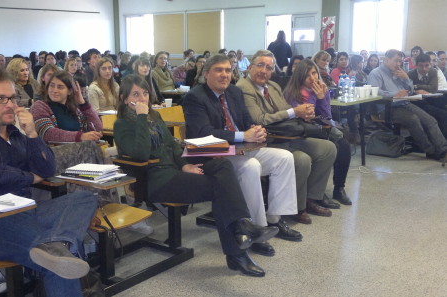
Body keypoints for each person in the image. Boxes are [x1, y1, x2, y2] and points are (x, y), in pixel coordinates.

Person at [0, 67, 98, 296]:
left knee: (85, 197)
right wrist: (30, 177)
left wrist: (32, 134)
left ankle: (59, 243)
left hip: (28, 211)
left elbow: (47, 168)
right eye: (1, 99)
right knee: (58, 262)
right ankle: (60, 248)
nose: (10, 104)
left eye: (12, 97)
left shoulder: (16, 134)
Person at [114, 74, 279, 277]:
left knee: (223, 166)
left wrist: (184, 165)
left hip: (174, 171)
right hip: (154, 180)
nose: (142, 99)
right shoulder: (122, 124)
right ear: (124, 99)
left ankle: (241, 228)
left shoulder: (154, 117)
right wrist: (140, 117)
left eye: (145, 93)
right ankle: (238, 248)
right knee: (220, 189)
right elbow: (140, 153)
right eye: (136, 94)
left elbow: (173, 146)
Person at [184, 54, 302, 252]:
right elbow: (203, 133)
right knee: (251, 166)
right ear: (206, 74)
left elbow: (247, 121)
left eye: (228, 70)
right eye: (219, 70)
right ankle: (257, 229)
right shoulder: (195, 97)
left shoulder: (233, 92)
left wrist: (256, 131)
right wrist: (242, 136)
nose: (224, 75)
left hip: (242, 148)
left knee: (284, 158)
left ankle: (275, 220)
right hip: (214, 155)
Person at [237, 50, 338, 221]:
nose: (264, 71)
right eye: (260, 65)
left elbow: (286, 110)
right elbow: (259, 119)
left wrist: (301, 113)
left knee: (328, 148)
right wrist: (293, 112)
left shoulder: (273, 86)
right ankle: (297, 207)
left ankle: (311, 197)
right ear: (249, 67)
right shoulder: (244, 88)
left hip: (287, 134)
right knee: (302, 159)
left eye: (269, 67)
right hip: (267, 139)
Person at [284, 59, 353, 205]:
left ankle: (339, 188)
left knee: (344, 146)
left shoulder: (323, 90)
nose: (313, 78)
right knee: (329, 146)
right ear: (300, 77)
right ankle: (317, 193)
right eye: (308, 75)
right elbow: (306, 116)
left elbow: (326, 117)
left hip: (322, 127)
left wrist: (321, 97)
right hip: (303, 129)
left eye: (314, 73)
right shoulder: (292, 92)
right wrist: (315, 97)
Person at [368, 49, 447, 161]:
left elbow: (410, 90)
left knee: (430, 120)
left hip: (404, 103)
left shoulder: (399, 72)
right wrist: (394, 93)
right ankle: (431, 151)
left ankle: (443, 149)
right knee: (413, 120)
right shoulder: (376, 73)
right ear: (386, 60)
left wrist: (406, 78)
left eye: (400, 61)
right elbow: (374, 92)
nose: (398, 64)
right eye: (396, 61)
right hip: (387, 107)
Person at [31, 70, 102, 143]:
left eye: (60, 87)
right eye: (52, 86)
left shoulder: (75, 109)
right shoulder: (40, 106)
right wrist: (80, 136)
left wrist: (83, 103)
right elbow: (47, 133)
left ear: (69, 91)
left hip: (79, 150)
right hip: (56, 152)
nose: (55, 90)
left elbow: (97, 127)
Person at [407, 54, 447, 139]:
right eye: (421, 66)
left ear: (430, 64)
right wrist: (415, 90)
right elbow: (407, 90)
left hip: (432, 100)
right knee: (442, 114)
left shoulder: (433, 71)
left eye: (426, 65)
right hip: (417, 103)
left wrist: (416, 86)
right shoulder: (411, 74)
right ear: (416, 65)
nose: (424, 69)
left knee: (443, 109)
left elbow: (433, 88)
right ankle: (442, 141)